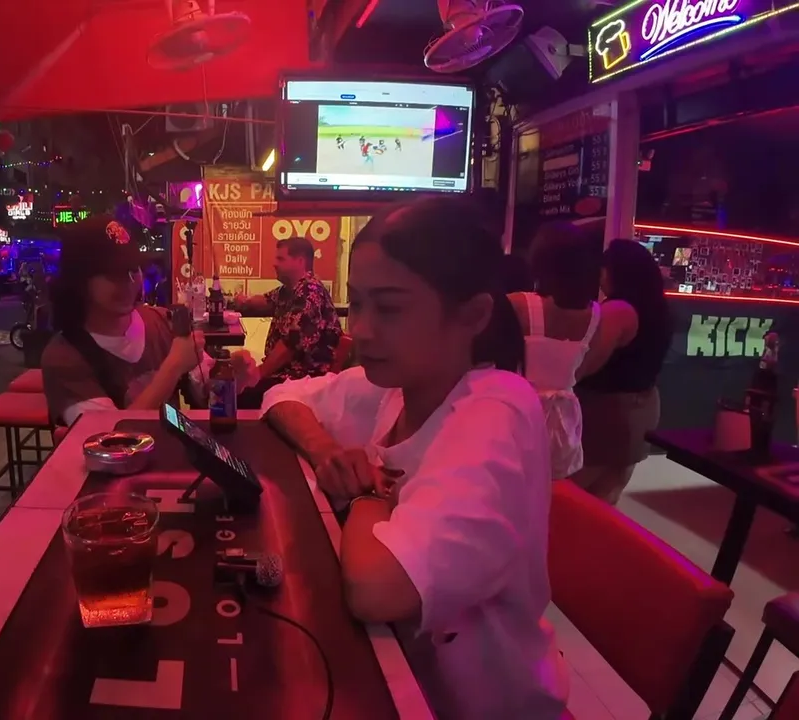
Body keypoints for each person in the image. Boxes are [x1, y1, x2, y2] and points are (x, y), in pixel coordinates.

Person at [262, 197, 567, 720]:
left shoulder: (498, 408)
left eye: (390, 308)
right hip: (403, 679)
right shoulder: (396, 388)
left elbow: (377, 590)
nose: (362, 329)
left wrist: (364, 491)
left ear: (472, 315)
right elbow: (281, 398)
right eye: (357, 304)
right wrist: (327, 450)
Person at [41, 218, 243, 426]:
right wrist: (173, 367)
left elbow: (205, 389)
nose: (130, 282)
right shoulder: (64, 357)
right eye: (116, 273)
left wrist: (233, 376)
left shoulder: (162, 321)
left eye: (134, 269)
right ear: (79, 282)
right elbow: (109, 435)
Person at [573, 238, 673, 504]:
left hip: (607, 413)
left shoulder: (618, 310)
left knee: (572, 498)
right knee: (607, 497)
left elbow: (588, 364)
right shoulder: (659, 308)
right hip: (642, 407)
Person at [510, 222, 602, 480]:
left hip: (520, 411)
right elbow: (582, 370)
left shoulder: (519, 303)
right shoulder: (596, 314)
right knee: (550, 491)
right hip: (565, 418)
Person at [230, 237, 342, 408]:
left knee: (236, 395)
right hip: (286, 374)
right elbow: (266, 301)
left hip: (303, 379)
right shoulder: (290, 290)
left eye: (281, 259)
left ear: (300, 261)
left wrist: (259, 374)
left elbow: (289, 345)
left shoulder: (309, 292)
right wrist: (244, 301)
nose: (274, 264)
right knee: (232, 385)